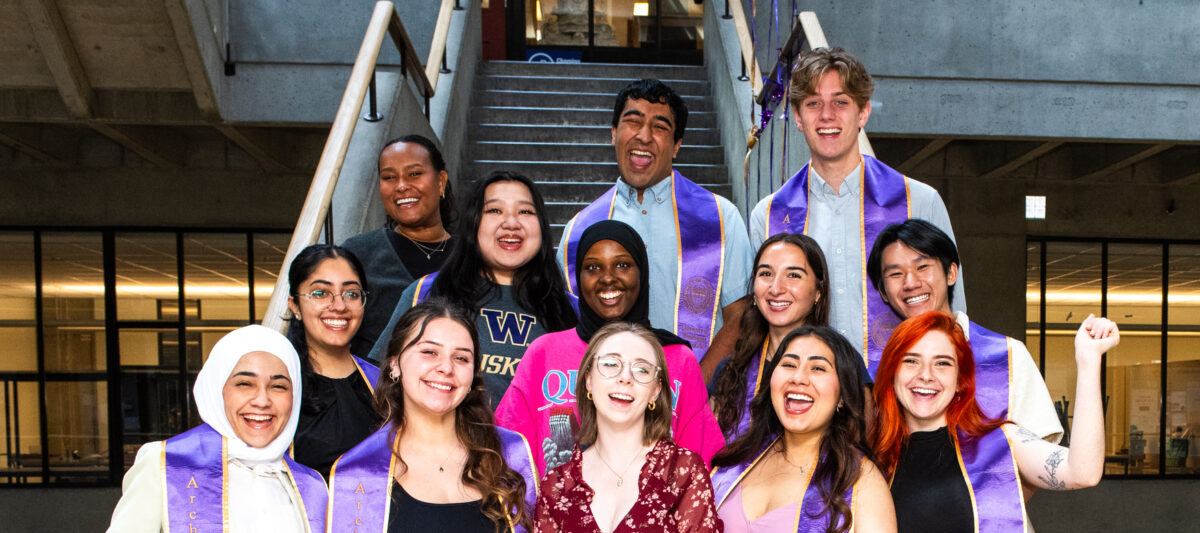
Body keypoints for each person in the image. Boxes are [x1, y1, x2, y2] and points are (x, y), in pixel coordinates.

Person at [745, 47, 966, 362]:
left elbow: (954, 314)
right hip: (810, 397)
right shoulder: (768, 215)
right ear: (797, 116)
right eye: (812, 103)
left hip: (903, 393)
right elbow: (760, 322)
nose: (826, 115)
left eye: (840, 102)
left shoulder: (919, 201)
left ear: (863, 112)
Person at [496, 220, 724, 476]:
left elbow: (702, 463)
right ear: (578, 279)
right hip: (556, 512)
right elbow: (507, 452)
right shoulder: (544, 353)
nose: (607, 278)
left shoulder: (678, 359)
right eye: (593, 267)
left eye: (623, 265)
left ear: (642, 273)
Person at [559, 78, 753, 362]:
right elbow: (569, 328)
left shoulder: (721, 219)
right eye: (633, 122)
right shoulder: (578, 231)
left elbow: (740, 317)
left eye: (660, 127)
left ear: (676, 146)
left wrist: (694, 388)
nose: (644, 136)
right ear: (613, 133)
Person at [873, 312, 1116, 532]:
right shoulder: (871, 456)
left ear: (960, 381)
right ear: (892, 373)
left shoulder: (1001, 442)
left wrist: (1088, 361)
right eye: (911, 361)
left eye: (942, 363)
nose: (925, 374)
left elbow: (1083, 472)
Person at [369, 171, 577, 408]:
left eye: (526, 211)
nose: (511, 223)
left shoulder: (569, 309)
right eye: (495, 210)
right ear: (473, 223)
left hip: (537, 445)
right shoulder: (427, 292)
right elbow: (379, 379)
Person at [328, 299, 537, 533]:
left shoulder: (510, 453)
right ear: (395, 365)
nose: (446, 368)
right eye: (429, 352)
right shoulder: (359, 471)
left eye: (461, 358)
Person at [107, 325, 327, 533]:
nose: (262, 400)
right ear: (217, 389)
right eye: (244, 384)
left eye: (278, 386)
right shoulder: (166, 464)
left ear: (295, 396)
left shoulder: (311, 486)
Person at [866, 218, 1062, 442]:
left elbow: (1043, 450)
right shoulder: (875, 368)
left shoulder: (1006, 355)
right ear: (882, 291)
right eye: (895, 274)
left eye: (922, 267)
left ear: (951, 273)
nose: (910, 283)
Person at [533, 322, 721, 532]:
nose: (625, 378)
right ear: (588, 380)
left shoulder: (683, 472)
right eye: (611, 364)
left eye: (641, 369)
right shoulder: (557, 485)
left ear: (655, 391)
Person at [710, 326, 894, 533]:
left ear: (842, 396)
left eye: (818, 368)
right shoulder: (735, 462)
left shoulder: (862, 481)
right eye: (789, 364)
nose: (798, 378)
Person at [709, 233, 834, 440]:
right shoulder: (730, 371)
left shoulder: (841, 364)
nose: (776, 288)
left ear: (818, 291)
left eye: (793, 275)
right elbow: (711, 448)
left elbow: (857, 454)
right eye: (766, 274)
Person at [342, 134, 457, 357]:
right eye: (389, 177)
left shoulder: (472, 256)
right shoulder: (358, 254)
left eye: (414, 174)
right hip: (375, 388)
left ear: (440, 181)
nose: (402, 186)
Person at [284, 244, 384, 478]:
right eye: (320, 293)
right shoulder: (280, 386)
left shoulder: (384, 385)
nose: (339, 306)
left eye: (351, 294)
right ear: (295, 306)